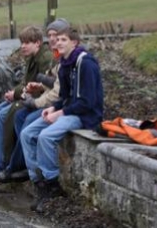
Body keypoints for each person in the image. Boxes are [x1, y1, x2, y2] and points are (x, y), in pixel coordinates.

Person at [20, 25, 104, 213]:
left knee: (46, 137)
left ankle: (52, 184)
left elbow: (87, 102)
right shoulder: (65, 65)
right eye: (57, 40)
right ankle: (39, 183)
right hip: (68, 110)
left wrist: (60, 113)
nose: (58, 43)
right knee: (27, 134)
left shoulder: (86, 64)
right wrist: (52, 108)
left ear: (74, 43)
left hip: (84, 116)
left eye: (63, 40)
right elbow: (64, 97)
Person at [0, 19, 70, 183]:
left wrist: (36, 99)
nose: (51, 39)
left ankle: (19, 169)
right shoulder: (58, 56)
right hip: (53, 103)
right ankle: (10, 165)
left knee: (23, 119)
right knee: (15, 115)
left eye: (56, 36)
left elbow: (64, 91)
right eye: (49, 35)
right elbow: (55, 86)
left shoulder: (70, 58)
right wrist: (40, 86)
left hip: (66, 108)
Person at [0, 25, 53, 178]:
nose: (23, 46)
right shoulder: (33, 57)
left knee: (1, 117)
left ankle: (1, 165)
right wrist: (13, 92)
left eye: (27, 43)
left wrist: (16, 93)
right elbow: (25, 81)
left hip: (34, 99)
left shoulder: (45, 58)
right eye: (22, 42)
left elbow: (41, 88)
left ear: (38, 43)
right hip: (23, 95)